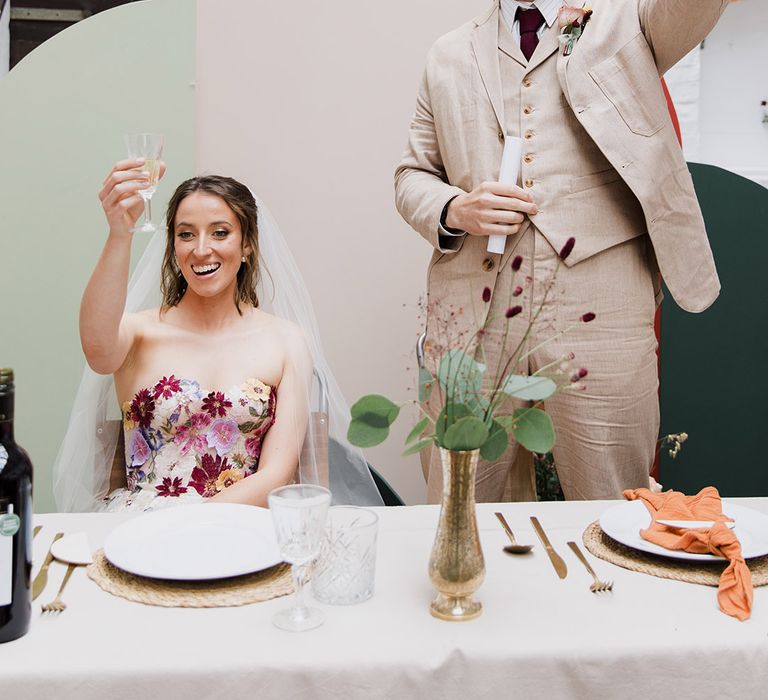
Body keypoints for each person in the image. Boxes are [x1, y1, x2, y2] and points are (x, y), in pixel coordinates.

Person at [395, 0, 727, 502]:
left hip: (602, 304)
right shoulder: (448, 53)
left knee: (615, 501)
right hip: (474, 309)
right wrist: (456, 208)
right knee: (458, 507)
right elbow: (411, 175)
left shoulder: (628, 20)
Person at [53, 162, 383, 511]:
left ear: (248, 245)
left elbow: (277, 473)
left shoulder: (287, 341)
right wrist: (120, 232)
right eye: (186, 234)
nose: (201, 249)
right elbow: (97, 352)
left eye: (220, 232)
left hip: (239, 527)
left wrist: (195, 523)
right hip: (142, 531)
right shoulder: (137, 332)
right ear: (173, 246)